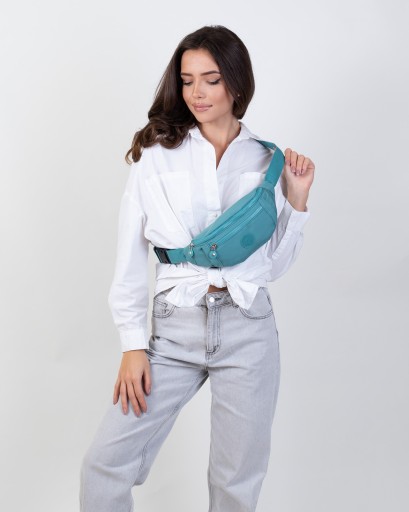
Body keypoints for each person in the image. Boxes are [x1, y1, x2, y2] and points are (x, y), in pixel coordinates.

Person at [79, 24, 315, 512]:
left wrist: (296, 202)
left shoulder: (266, 160)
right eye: (187, 81)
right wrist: (132, 343)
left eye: (211, 79)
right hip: (174, 332)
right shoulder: (155, 154)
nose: (196, 93)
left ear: (237, 84)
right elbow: (130, 254)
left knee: (235, 484)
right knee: (105, 464)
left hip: (248, 327)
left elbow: (270, 266)